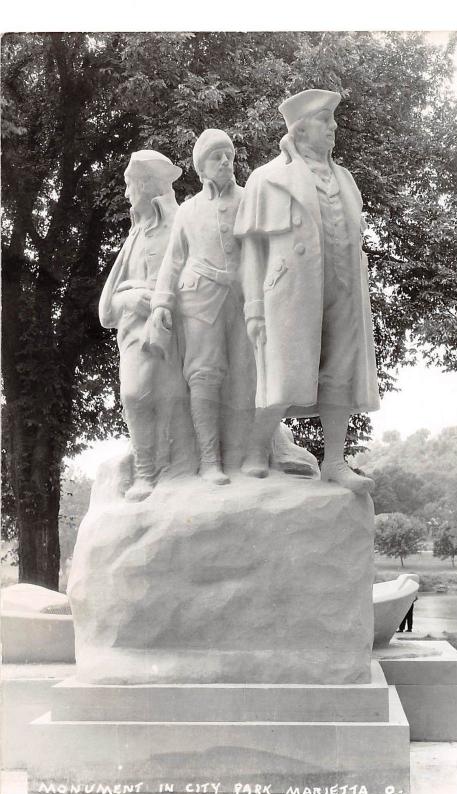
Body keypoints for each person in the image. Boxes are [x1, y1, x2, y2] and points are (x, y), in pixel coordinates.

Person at [234, 89, 380, 492]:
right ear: (299, 129)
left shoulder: (346, 180)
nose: (334, 127)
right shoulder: (266, 178)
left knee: (340, 372)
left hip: (343, 287)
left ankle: (334, 461)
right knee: (283, 373)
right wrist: (253, 308)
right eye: (325, 119)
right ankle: (256, 448)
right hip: (290, 290)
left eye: (333, 119)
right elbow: (251, 253)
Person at [150, 130, 256, 485]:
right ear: (201, 168)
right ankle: (210, 461)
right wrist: (162, 302)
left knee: (246, 375)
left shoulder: (250, 200)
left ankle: (243, 456)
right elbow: (172, 260)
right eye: (216, 156)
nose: (226, 161)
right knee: (204, 376)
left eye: (229, 154)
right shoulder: (189, 210)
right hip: (199, 298)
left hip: (242, 298)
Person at [99, 150, 184, 501]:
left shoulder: (181, 223)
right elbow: (106, 309)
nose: (126, 193)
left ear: (148, 185)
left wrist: (158, 296)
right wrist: (131, 297)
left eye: (129, 184)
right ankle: (146, 471)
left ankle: (169, 470)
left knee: (174, 397)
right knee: (134, 394)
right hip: (134, 333)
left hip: (178, 326)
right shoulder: (133, 238)